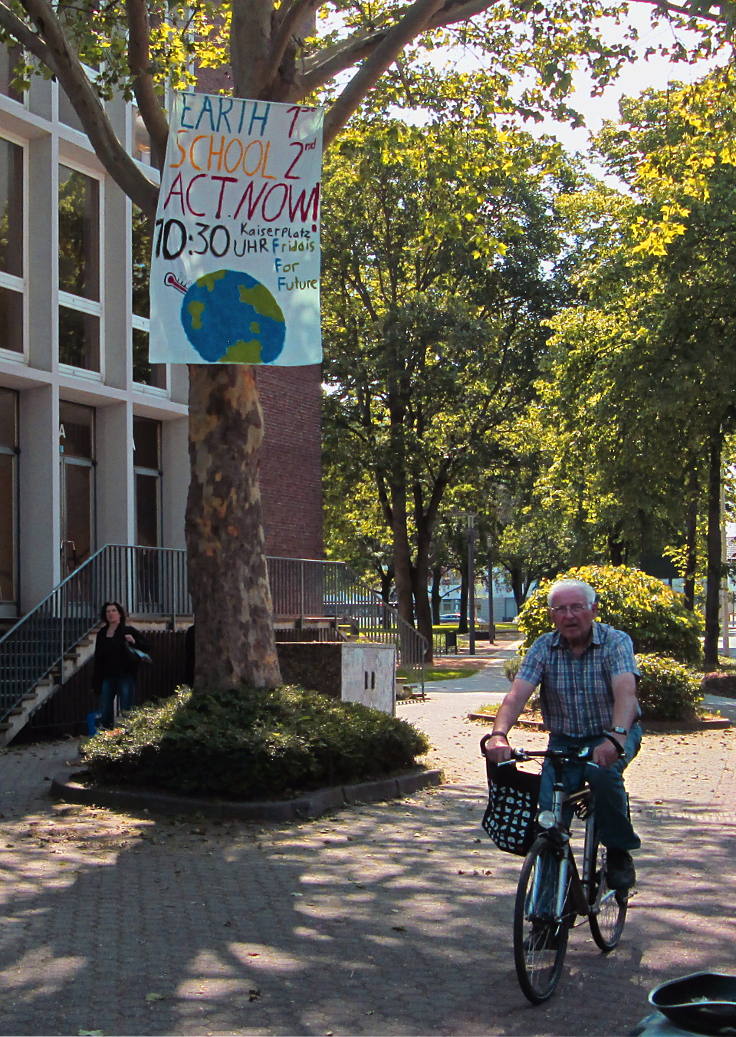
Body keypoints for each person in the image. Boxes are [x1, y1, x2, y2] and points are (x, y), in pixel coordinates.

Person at [484, 578, 642, 890]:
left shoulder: (616, 642)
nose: (569, 616)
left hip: (612, 733)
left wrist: (616, 737)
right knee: (549, 823)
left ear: (593, 610)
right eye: (561, 609)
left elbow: (626, 692)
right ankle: (545, 919)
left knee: (601, 774)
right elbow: (516, 695)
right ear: (552, 616)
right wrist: (498, 734)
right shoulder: (544, 646)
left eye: (577, 608)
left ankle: (618, 850)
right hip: (564, 740)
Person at [92, 601, 150, 730]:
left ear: (119, 614)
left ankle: (128, 733)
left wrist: (134, 641)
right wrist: (96, 679)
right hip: (107, 675)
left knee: (126, 706)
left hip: (125, 675)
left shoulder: (127, 630)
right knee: (105, 707)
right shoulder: (102, 633)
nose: (110, 614)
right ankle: (106, 733)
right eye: (108, 611)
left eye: (113, 611)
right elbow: (98, 657)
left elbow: (147, 646)